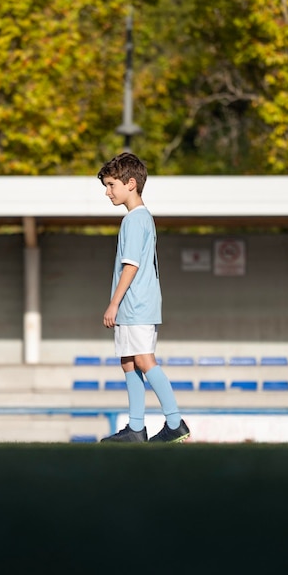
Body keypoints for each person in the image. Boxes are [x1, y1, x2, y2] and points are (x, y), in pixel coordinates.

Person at [97, 152, 190, 443]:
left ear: (131, 184)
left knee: (144, 359)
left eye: (111, 184)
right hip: (132, 306)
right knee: (128, 361)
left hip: (135, 305)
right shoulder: (137, 219)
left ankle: (175, 423)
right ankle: (136, 428)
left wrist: (113, 302)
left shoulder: (136, 220)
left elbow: (132, 265)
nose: (107, 191)